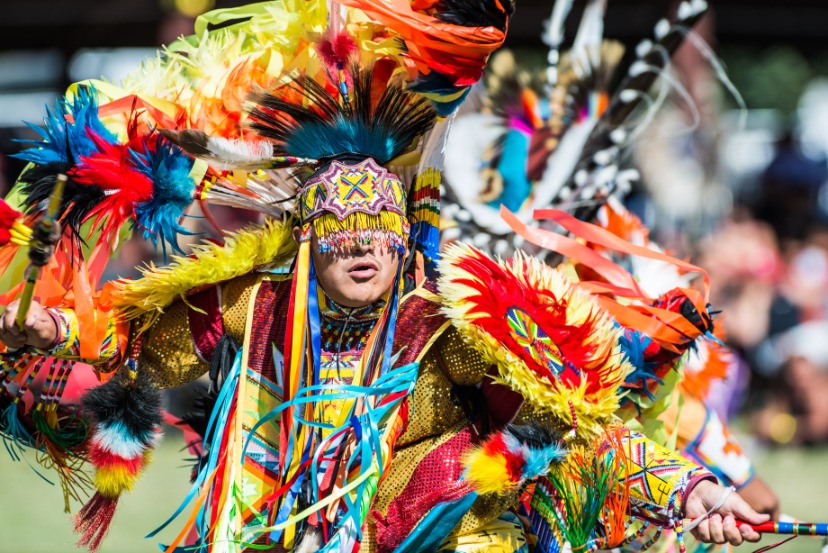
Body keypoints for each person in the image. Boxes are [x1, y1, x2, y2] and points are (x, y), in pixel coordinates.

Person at [0, 1, 769, 552]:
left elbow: (575, 432)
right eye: (342, 234)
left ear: (404, 248)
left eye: (378, 233)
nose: (362, 248)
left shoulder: (439, 329)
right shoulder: (256, 308)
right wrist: (55, 327)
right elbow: (139, 349)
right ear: (310, 245)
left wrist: (693, 490)